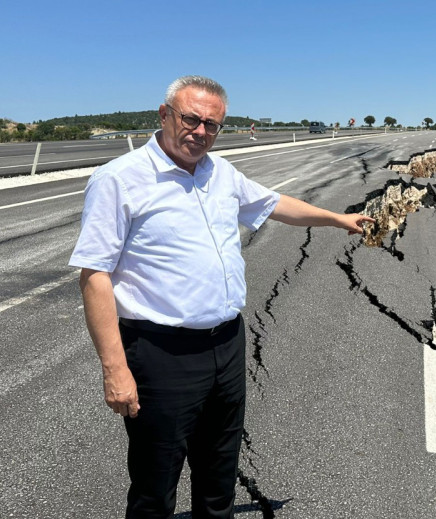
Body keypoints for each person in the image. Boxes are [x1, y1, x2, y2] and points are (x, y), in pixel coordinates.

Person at [69, 75, 373, 518]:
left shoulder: (219, 172)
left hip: (226, 345)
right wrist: (115, 370)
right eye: (191, 119)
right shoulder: (119, 180)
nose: (200, 132)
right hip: (161, 354)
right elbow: (94, 275)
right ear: (164, 115)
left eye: (212, 124)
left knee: (218, 478)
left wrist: (337, 219)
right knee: (156, 486)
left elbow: (273, 204)